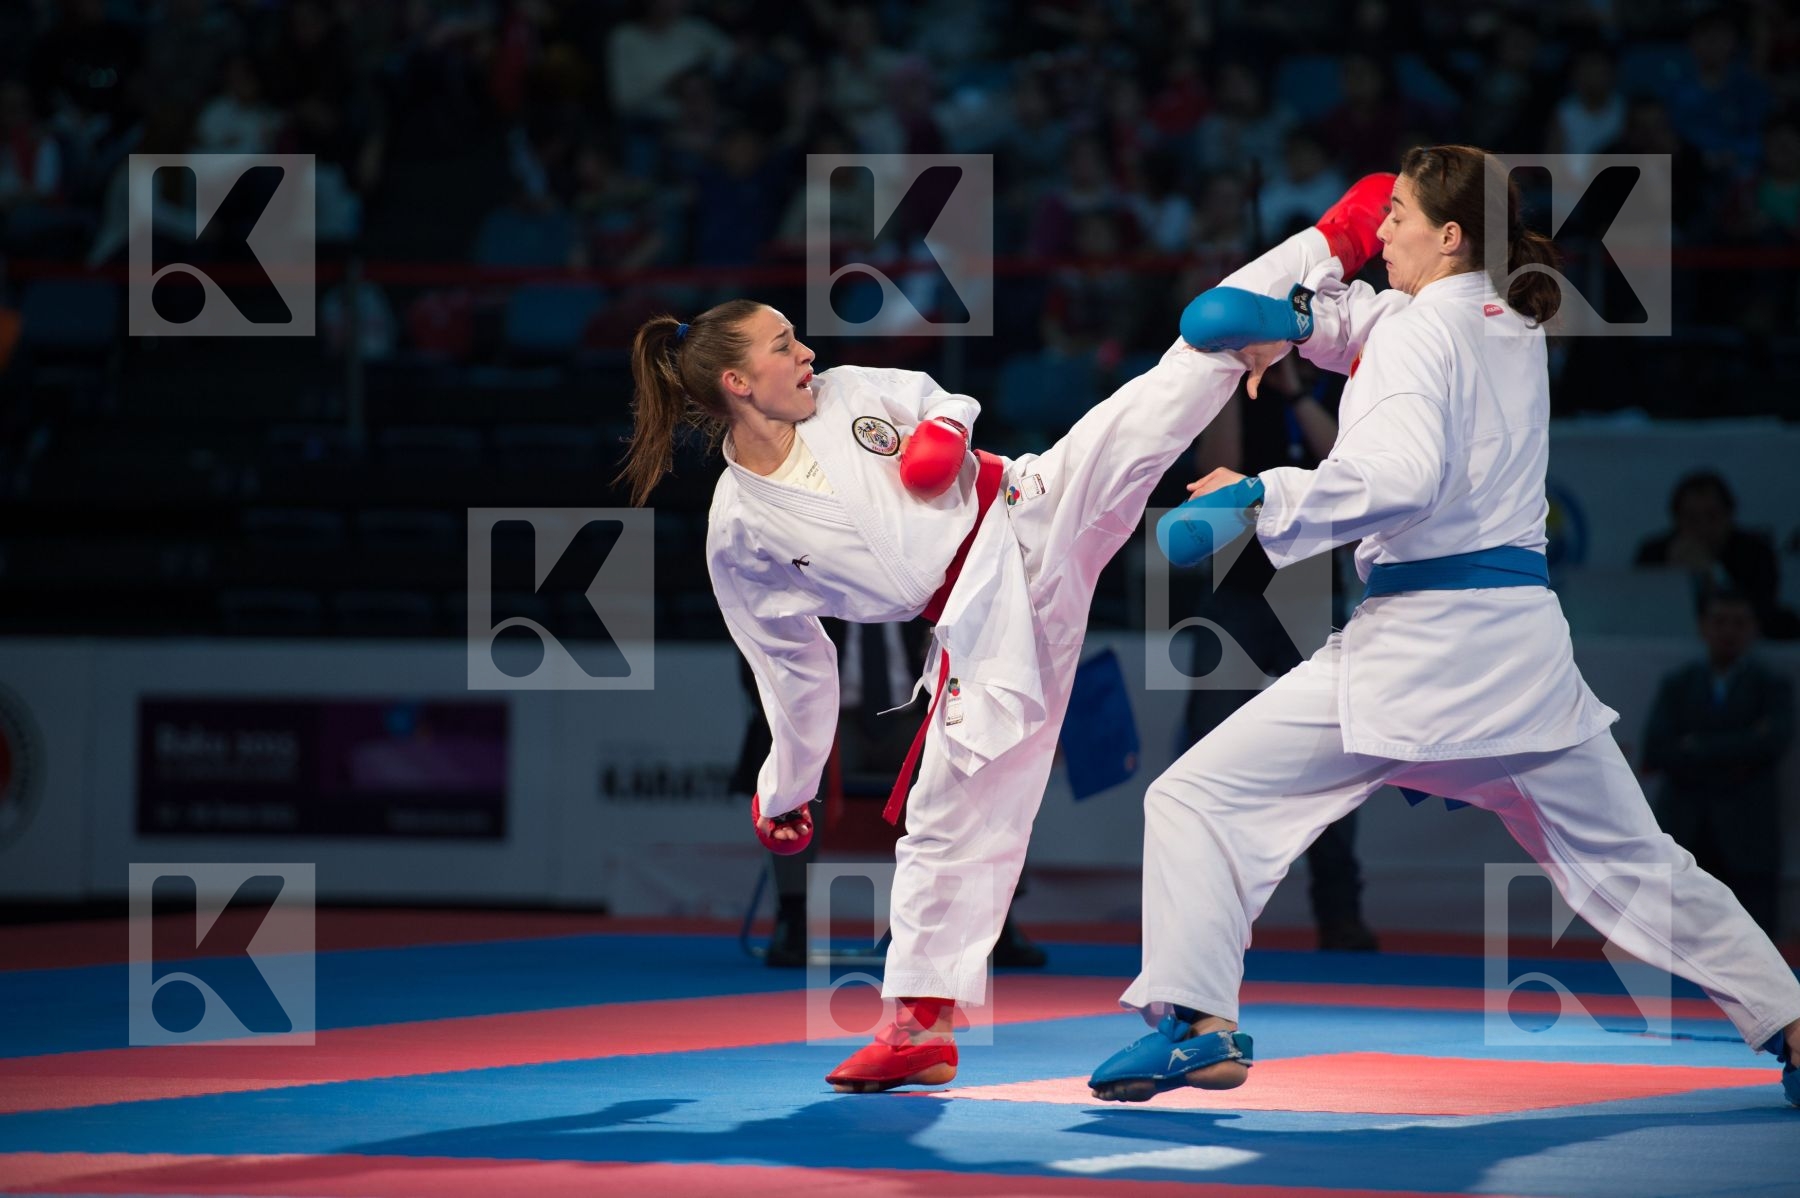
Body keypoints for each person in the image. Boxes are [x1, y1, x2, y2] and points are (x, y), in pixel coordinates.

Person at [617, 174, 1395, 1093]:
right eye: (785, 345)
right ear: (736, 382)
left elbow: (933, 395)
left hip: (1026, 506)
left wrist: (942, 434)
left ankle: (1339, 239)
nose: (807, 350)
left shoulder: (843, 392)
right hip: (976, 624)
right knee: (952, 816)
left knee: (1173, 382)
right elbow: (790, 664)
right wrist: (784, 788)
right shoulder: (738, 530)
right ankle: (919, 1028)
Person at [1087, 145, 1800, 1109]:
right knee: (1638, 869)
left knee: (1200, 797)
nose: (1378, 231)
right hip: (1520, 655)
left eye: (1398, 217)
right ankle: (1794, 1023)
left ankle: (1196, 1025)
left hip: (1421, 643)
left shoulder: (1425, 334)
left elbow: (1400, 475)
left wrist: (1261, 495)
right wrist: (1287, 324)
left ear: (1450, 233)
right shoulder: (1502, 319)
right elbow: (1369, 328)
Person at [1642, 588, 1795, 938]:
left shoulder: (1771, 686)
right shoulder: (1678, 685)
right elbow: (1656, 749)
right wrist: (1739, 744)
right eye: (1720, 621)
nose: (1728, 631)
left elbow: (1771, 743)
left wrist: (1696, 746)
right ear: (1703, 627)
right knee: (1674, 942)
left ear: (1754, 628)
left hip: (1748, 833)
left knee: (1753, 942)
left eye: (1739, 623)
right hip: (1686, 825)